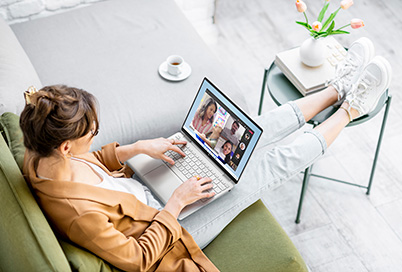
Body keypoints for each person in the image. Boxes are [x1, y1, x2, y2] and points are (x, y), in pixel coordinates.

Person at [20, 37, 391, 271]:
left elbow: (95, 162)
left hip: (149, 189)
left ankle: (333, 90)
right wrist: (176, 205)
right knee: (260, 171)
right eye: (91, 133)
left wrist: (138, 149)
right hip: (168, 230)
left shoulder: (40, 153)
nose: (97, 134)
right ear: (66, 146)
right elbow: (136, 260)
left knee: (249, 129)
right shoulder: (77, 215)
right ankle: (351, 108)